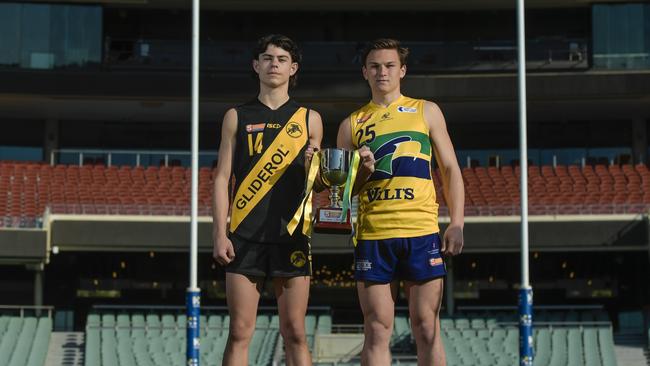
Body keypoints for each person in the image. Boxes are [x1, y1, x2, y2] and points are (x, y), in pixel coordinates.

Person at [337, 38, 464, 366]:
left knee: (426, 327)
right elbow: (343, 192)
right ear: (365, 72)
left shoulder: (427, 110)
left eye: (390, 65)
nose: (383, 72)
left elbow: (449, 168)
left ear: (402, 70)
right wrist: (362, 172)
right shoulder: (350, 125)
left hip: (421, 230)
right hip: (373, 234)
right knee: (377, 329)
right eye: (375, 66)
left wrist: (457, 223)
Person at [212, 34, 323, 366]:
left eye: (282, 59)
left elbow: (318, 184)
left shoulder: (309, 118)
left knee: (295, 333)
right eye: (268, 58)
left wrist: (311, 166)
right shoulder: (236, 115)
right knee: (239, 332)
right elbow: (221, 178)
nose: (274, 64)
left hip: (292, 235)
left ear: (293, 68)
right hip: (244, 235)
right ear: (256, 65)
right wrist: (220, 233)